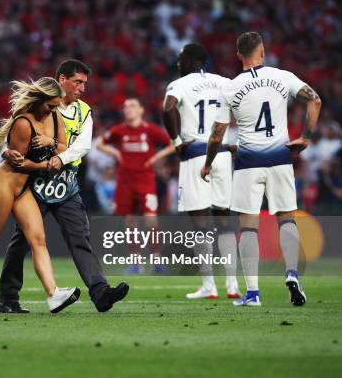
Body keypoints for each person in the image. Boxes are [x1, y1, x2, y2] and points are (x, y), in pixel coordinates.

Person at [0, 60, 129, 314]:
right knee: (23, 241)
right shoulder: (38, 105)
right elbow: (11, 132)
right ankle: (8, 297)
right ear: (62, 80)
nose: (82, 88)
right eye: (77, 82)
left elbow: (84, 146)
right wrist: (5, 152)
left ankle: (100, 292)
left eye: (84, 83)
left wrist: (59, 156)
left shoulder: (84, 111)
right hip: (34, 182)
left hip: (66, 181)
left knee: (80, 238)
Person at [201, 32, 322, 307]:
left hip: (248, 163)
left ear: (238, 55)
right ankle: (292, 274)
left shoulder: (230, 88)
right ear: (263, 52)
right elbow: (315, 100)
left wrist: (208, 163)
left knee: (248, 226)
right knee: (287, 218)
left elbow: (217, 134)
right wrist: (305, 137)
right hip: (280, 158)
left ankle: (253, 293)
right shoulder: (283, 76)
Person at [0, 77, 80, 315]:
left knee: (38, 239)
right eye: (51, 105)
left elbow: (64, 147)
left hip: (23, 189)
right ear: (39, 100)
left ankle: (53, 295)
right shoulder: (24, 122)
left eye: (56, 105)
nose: (54, 109)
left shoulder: (55, 116)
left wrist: (50, 142)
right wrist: (45, 166)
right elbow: (19, 164)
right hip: (3, 184)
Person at [162, 43, 241, 299]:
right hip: (223, 155)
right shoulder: (224, 82)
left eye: (180, 59)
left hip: (196, 154)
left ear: (190, 61)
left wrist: (176, 143)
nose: (177, 64)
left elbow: (167, 108)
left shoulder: (180, 84)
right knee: (225, 221)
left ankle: (209, 286)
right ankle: (233, 285)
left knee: (200, 224)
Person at [96, 97, 175, 274]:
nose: (128, 109)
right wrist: (115, 152)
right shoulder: (119, 130)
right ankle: (135, 262)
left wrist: (156, 158)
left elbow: (172, 144)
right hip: (125, 181)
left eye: (132, 106)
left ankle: (157, 261)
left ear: (141, 110)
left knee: (151, 221)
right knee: (130, 222)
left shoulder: (150, 130)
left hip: (145, 180)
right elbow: (100, 144)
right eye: (125, 107)